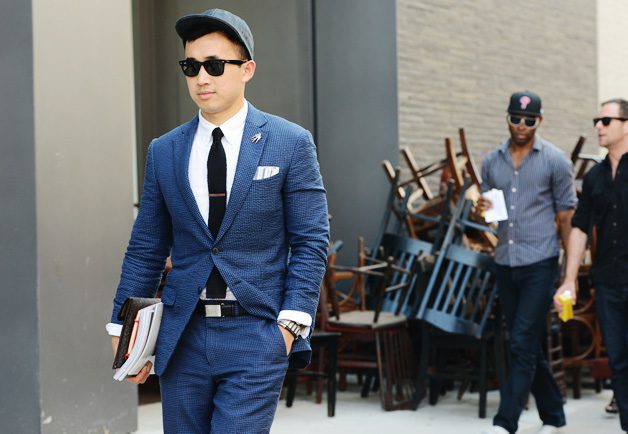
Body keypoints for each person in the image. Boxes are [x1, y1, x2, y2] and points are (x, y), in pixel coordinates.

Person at [106, 8, 329, 433]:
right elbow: (146, 247)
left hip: (256, 334)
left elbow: (311, 241)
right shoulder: (164, 150)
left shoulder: (290, 143)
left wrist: (289, 326)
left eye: (214, 65)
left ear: (247, 69)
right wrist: (122, 326)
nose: (201, 78)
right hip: (182, 334)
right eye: (191, 66)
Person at [478, 91, 577, 434]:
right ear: (507, 118)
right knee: (525, 344)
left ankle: (505, 422)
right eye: (516, 119)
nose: (522, 126)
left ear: (540, 121)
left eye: (529, 120)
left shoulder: (555, 161)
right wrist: (483, 213)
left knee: (520, 341)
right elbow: (493, 218)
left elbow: (566, 217)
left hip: (541, 262)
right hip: (505, 261)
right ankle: (554, 416)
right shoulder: (491, 162)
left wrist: (569, 273)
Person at [555, 98, 628, 433]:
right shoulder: (596, 177)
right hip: (609, 282)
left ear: (626, 124)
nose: (598, 126)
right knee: (618, 360)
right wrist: (569, 279)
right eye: (597, 120)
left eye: (606, 120)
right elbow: (580, 228)